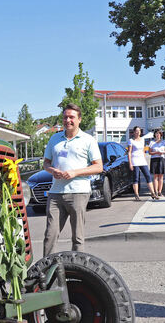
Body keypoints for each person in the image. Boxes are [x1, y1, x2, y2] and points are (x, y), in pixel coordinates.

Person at [42, 104, 103, 256]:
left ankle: (79, 270)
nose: (68, 120)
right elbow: (46, 163)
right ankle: (45, 272)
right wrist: (51, 170)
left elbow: (98, 167)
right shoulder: (54, 138)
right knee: (50, 235)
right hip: (55, 193)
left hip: (78, 193)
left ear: (79, 120)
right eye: (65, 117)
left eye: (71, 117)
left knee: (77, 237)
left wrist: (75, 173)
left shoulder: (88, 140)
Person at [128, 126, 158, 200]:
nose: (138, 132)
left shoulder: (142, 140)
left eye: (139, 131)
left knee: (148, 176)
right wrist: (130, 163)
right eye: (136, 131)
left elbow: (143, 150)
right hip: (134, 161)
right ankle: (137, 195)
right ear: (134, 132)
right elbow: (129, 152)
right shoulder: (131, 141)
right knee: (136, 178)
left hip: (142, 160)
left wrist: (145, 160)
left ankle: (153, 193)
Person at [148, 128, 165, 197]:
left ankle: (160, 191)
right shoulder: (151, 142)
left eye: (159, 133)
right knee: (155, 176)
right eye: (156, 133)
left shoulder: (163, 142)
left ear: (161, 135)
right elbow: (149, 152)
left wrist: (162, 152)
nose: (158, 135)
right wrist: (156, 152)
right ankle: (155, 191)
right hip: (154, 159)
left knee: (161, 176)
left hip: (161, 159)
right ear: (155, 135)